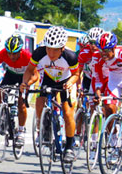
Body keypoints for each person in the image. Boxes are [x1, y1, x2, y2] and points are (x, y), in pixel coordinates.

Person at [21, 26, 79, 162]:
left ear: (62, 48)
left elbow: (76, 74)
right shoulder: (39, 53)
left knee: (67, 112)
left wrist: (71, 82)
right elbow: (29, 70)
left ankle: (70, 147)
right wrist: (25, 83)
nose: (51, 53)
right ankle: (44, 129)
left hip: (66, 80)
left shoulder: (70, 57)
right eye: (48, 49)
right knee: (40, 101)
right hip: (49, 79)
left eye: (55, 50)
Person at [0, 34, 32, 147]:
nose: (11, 56)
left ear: (20, 51)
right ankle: (2, 115)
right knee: (0, 93)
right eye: (9, 53)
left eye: (15, 53)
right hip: (10, 75)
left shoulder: (27, 56)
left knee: (21, 104)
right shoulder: (3, 53)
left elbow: (35, 75)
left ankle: (21, 131)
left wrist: (27, 84)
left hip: (24, 76)